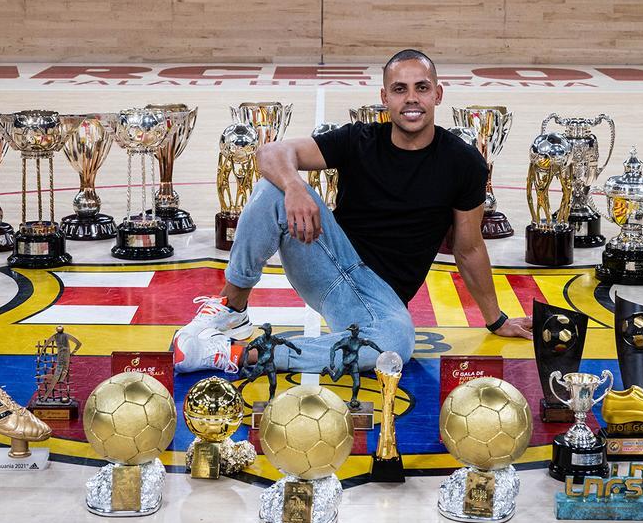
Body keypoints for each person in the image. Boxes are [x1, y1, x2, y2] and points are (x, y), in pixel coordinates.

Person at [173, 49, 534, 376]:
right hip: (328, 260)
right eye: (399, 89)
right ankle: (233, 311)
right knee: (273, 189)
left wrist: (495, 319)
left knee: (394, 345)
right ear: (384, 98)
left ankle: (238, 354)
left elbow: (468, 248)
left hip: (379, 300)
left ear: (437, 95)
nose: (411, 99)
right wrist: (296, 187)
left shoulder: (464, 162)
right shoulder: (358, 140)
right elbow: (271, 154)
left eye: (422, 88)